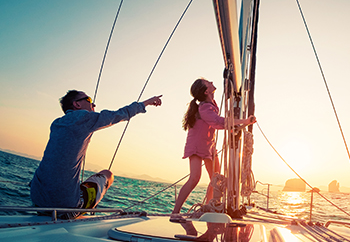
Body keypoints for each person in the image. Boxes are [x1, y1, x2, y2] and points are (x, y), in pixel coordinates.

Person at [30, 90, 162, 219]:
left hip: (37, 200)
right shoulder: (84, 118)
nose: (93, 105)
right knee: (107, 175)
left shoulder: (56, 123)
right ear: (77, 104)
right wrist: (147, 103)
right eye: (89, 100)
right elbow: (120, 114)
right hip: (65, 207)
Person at [172, 78, 255, 215]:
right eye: (208, 83)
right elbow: (218, 122)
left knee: (215, 179)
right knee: (194, 178)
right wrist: (245, 120)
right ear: (206, 91)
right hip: (197, 146)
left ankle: (209, 208)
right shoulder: (204, 107)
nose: (211, 81)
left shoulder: (212, 104)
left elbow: (223, 123)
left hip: (209, 146)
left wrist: (242, 124)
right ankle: (175, 212)